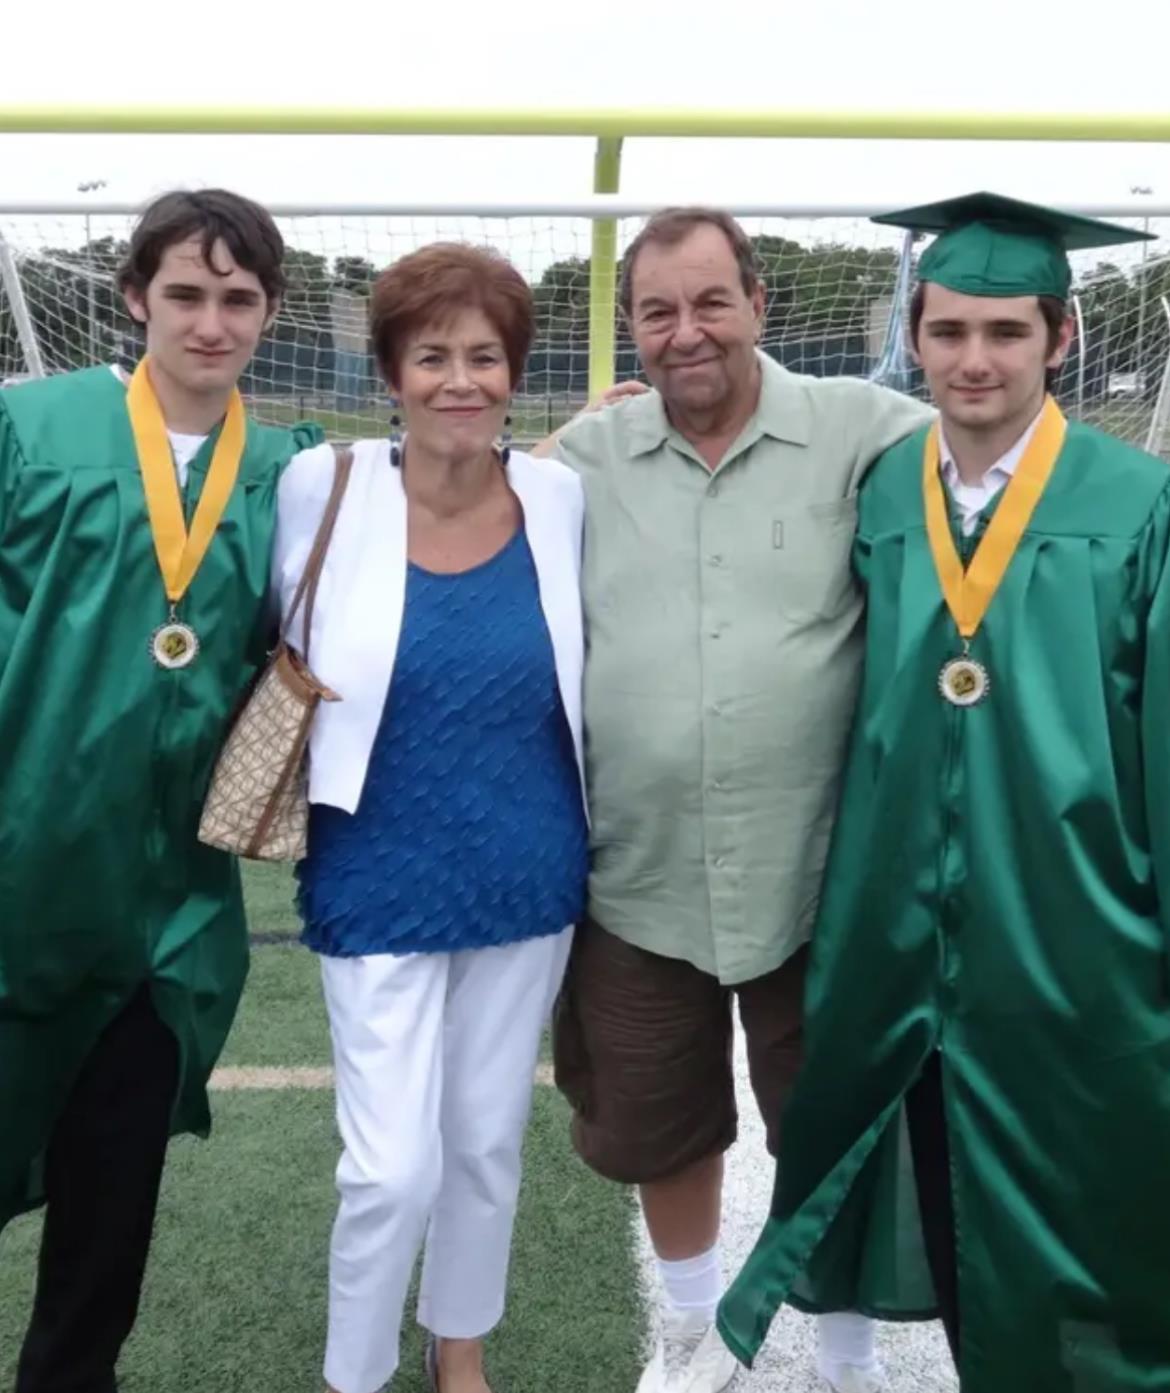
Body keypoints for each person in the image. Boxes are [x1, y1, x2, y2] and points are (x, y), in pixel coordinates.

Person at [717, 192, 1170, 1393]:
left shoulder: (1135, 506)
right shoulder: (880, 493)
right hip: (898, 934)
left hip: (1077, 934)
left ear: (1060, 338)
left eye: (1006, 332)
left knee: (1089, 1226)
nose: (975, 359)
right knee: (948, 1191)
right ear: (913, 337)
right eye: (951, 330)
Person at [542, 206, 933, 1393]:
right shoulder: (582, 460)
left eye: (711, 301)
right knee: (660, 1122)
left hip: (818, 870)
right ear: (632, 331)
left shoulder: (870, 427)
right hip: (637, 870)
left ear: (762, 304)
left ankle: (850, 1350)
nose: (686, 331)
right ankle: (693, 1329)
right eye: (658, 311)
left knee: (836, 1117)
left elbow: (1001, 445)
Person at [0, 188, 321, 1393]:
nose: (211, 321)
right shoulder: (32, 429)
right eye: (185, 293)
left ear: (269, 312)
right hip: (21, 869)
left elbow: (442, 493)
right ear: (136, 298)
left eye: (238, 298)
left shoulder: (293, 470)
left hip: (172, 909)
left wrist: (577, 442)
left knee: (113, 1190)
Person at [273, 242, 588, 1393]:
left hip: (527, 866)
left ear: (516, 372)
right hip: (375, 866)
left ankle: (461, 1347)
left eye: (486, 357)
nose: (461, 380)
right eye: (433, 357)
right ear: (390, 374)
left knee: (486, 1145)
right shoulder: (324, 486)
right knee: (389, 1169)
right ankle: (354, 1374)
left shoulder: (559, 496)